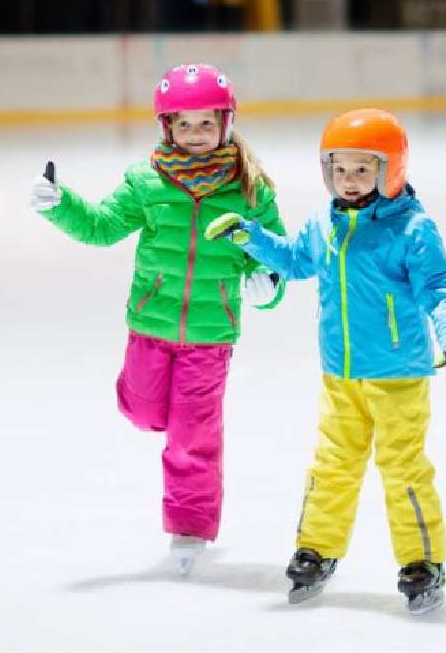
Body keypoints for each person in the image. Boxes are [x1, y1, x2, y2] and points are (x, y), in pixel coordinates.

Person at [204, 108, 446, 613]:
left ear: (390, 169)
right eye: (339, 169)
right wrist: (250, 236)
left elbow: (440, 290)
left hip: (398, 377)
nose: (348, 181)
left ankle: (423, 561)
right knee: (332, 465)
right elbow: (292, 261)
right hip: (340, 376)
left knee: (403, 470)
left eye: (362, 168)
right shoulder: (323, 223)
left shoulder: (412, 230)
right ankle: (317, 549)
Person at [30, 63, 287, 574]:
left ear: (226, 124)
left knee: (193, 434)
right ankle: (152, 413)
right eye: (184, 125)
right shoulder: (146, 183)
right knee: (145, 411)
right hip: (150, 326)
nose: (196, 135)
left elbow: (275, 254)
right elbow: (102, 227)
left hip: (211, 337)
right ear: (166, 127)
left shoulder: (251, 189)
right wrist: (60, 205)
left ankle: (189, 529)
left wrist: (270, 285)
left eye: (206, 124)